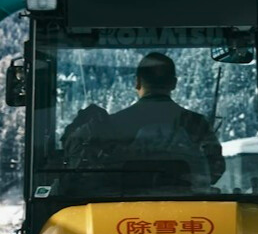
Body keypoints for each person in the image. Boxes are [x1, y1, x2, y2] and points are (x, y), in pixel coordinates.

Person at [63, 52, 227, 190]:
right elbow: (214, 170)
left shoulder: (111, 125)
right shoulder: (197, 124)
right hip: (189, 212)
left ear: (137, 82)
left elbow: (88, 171)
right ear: (173, 83)